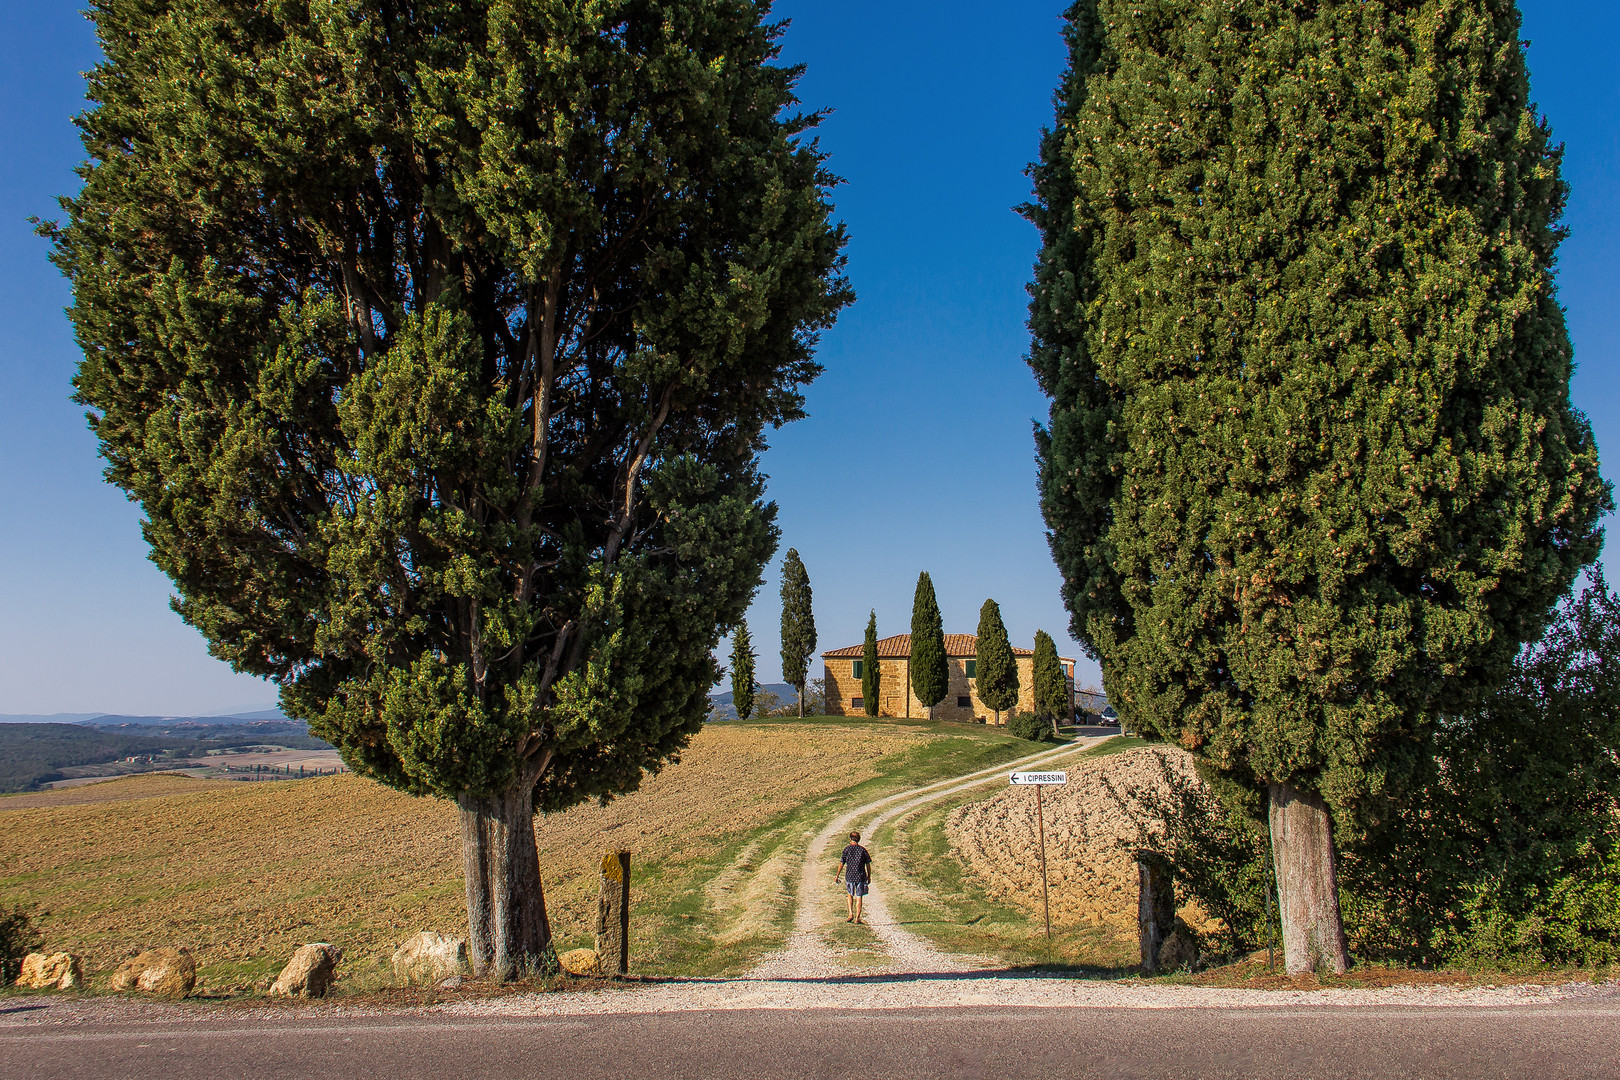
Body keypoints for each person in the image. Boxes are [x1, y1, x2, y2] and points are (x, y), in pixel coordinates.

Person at [835, 830, 872, 924]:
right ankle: (857, 918)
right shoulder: (863, 850)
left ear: (850, 839)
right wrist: (869, 876)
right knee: (859, 896)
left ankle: (850, 914)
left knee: (850, 894)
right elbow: (868, 864)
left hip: (850, 876)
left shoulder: (846, 849)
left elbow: (841, 863)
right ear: (858, 840)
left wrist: (837, 875)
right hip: (861, 876)